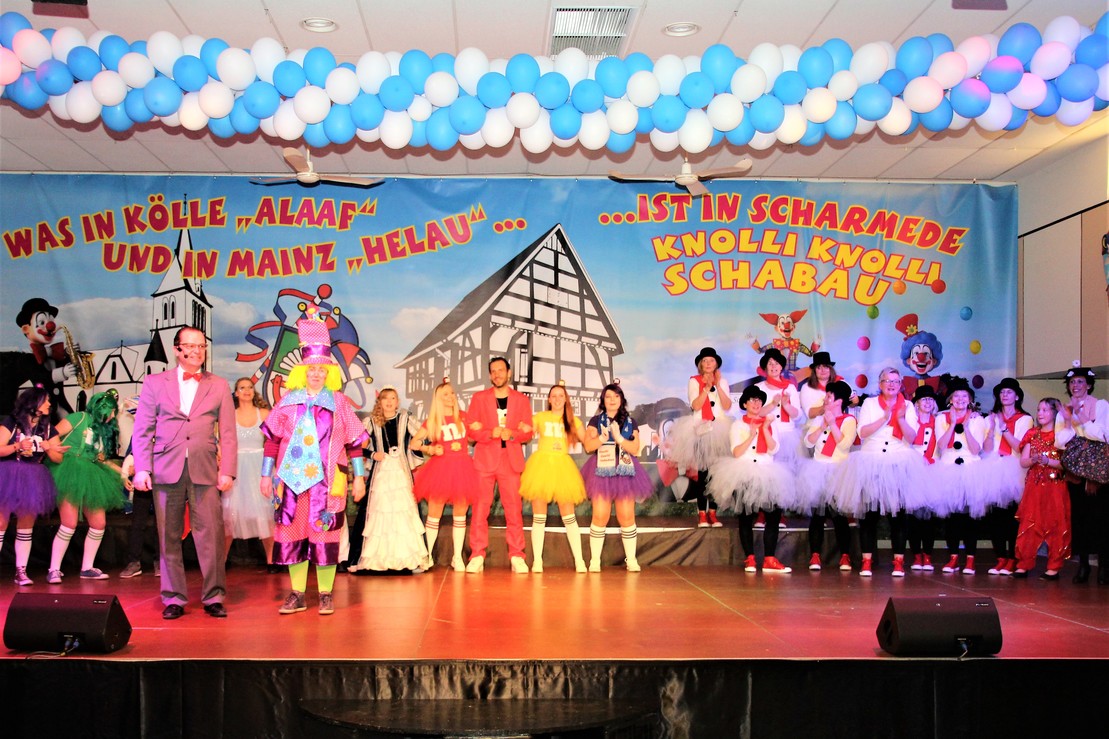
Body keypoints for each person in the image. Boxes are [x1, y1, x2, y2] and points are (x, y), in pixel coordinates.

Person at [260, 312, 367, 615]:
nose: (316, 374)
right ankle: (297, 593)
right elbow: (272, 441)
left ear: (328, 373)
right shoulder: (287, 402)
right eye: (311, 369)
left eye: (322, 369)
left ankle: (325, 593)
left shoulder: (339, 402)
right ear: (302, 372)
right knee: (292, 532)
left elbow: (355, 443)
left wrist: (359, 478)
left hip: (328, 481)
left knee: (324, 533)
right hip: (291, 482)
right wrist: (266, 475)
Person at [132, 326, 237, 620]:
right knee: (168, 536)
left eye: (201, 346)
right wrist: (142, 468)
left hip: (205, 468)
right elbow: (143, 429)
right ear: (177, 349)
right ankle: (173, 597)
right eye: (190, 345)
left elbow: (228, 433)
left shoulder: (218, 384)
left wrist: (227, 470)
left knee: (211, 535)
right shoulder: (155, 382)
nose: (197, 351)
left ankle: (213, 596)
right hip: (167, 468)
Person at [831, 367, 924, 576]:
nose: (891, 385)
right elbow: (862, 432)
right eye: (887, 381)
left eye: (895, 381)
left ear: (900, 384)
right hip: (872, 461)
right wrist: (885, 418)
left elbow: (912, 437)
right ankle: (867, 560)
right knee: (869, 515)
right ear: (880, 384)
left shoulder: (908, 405)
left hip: (898, 461)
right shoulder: (870, 404)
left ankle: (898, 561)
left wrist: (900, 419)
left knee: (898, 515)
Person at [709, 385, 797, 573]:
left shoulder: (770, 423)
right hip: (745, 470)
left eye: (759, 400)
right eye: (752, 400)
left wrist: (764, 429)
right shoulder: (738, 425)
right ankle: (749, 558)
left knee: (773, 515)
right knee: (745, 516)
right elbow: (736, 452)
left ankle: (769, 559)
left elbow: (774, 449)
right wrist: (751, 435)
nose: (756, 403)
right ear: (745, 404)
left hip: (767, 470)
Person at [46, 388, 128, 583]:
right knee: (69, 522)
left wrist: (124, 474)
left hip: (91, 473)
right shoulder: (79, 418)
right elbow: (51, 433)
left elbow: (101, 459)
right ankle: (54, 569)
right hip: (70, 470)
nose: (112, 416)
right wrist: (53, 449)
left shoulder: (103, 432)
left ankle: (87, 567)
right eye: (111, 411)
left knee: (99, 523)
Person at [465, 357, 534, 574]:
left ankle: (517, 555)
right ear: (489, 375)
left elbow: (528, 432)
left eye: (501, 370)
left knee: (514, 510)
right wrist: (489, 433)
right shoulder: (479, 398)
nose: (497, 374)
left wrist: (512, 433)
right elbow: (470, 430)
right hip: (485, 460)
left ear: (509, 373)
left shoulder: (521, 400)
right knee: (480, 510)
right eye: (493, 371)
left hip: (510, 461)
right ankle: (477, 554)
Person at [351, 386, 428, 573]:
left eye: (393, 398)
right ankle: (375, 559)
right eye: (385, 398)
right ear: (380, 402)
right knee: (379, 512)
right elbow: (356, 446)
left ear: (397, 402)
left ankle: (407, 559)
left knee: (404, 513)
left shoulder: (405, 418)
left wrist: (417, 445)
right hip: (381, 475)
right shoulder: (371, 421)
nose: (389, 402)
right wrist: (372, 454)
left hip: (401, 474)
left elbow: (423, 436)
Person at [581, 382, 653, 571]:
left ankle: (632, 560)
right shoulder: (596, 421)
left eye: (616, 396)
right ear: (603, 401)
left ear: (622, 399)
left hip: (624, 469)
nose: (612, 400)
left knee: (627, 516)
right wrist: (602, 438)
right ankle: (594, 561)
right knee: (600, 515)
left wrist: (620, 438)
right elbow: (588, 446)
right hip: (601, 469)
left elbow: (635, 448)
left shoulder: (631, 421)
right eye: (608, 396)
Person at [520, 383, 588, 572]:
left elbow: (588, 442)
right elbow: (527, 433)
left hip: (563, 468)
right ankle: (537, 561)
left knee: (569, 516)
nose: (557, 399)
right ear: (549, 399)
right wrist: (523, 428)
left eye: (561, 396)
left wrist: (601, 437)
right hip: (541, 467)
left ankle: (579, 561)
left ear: (566, 399)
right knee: (539, 517)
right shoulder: (541, 417)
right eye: (554, 396)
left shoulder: (573, 420)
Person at [0, 386, 63, 586]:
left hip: (33, 477)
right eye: (46, 400)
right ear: (34, 403)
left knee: (26, 524)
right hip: (9, 474)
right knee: (0, 523)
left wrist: (49, 448)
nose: (49, 404)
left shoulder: (47, 428)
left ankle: (21, 571)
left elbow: (58, 458)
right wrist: (17, 446)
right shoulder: (11, 422)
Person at [412, 379, 478, 571]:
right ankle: (427, 556)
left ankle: (457, 557)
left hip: (463, 467)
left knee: (460, 513)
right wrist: (431, 449)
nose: (450, 397)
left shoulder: (464, 417)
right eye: (445, 394)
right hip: (440, 469)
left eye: (452, 393)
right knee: (434, 513)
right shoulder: (433, 421)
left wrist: (475, 432)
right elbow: (414, 443)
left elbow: (474, 438)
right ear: (438, 399)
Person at [664, 347, 733, 528]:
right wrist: (706, 388)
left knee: (717, 474)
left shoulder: (723, 381)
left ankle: (713, 513)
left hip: (720, 430)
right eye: (704, 361)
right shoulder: (694, 381)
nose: (708, 363)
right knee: (702, 474)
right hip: (701, 429)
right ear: (700, 365)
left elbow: (727, 406)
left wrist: (718, 386)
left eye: (711, 360)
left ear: (716, 364)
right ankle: (702, 513)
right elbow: (695, 405)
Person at [1054, 365, 1109, 585]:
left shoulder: (1101, 405)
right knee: (1080, 518)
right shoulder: (1064, 410)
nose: (1075, 385)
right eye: (1072, 382)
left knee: (1101, 518)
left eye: (1080, 381)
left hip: (1098, 472)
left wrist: (1081, 418)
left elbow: (1102, 435)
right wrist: (1069, 421)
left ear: (1089, 385)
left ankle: (1104, 567)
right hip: (1076, 471)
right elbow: (1060, 441)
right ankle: (1083, 565)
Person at [798, 380, 856, 572]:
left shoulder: (849, 420)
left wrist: (833, 424)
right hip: (818, 470)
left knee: (839, 516)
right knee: (818, 515)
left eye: (829, 396)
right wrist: (823, 424)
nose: (826, 399)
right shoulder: (819, 418)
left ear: (839, 401)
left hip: (837, 471)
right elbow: (808, 442)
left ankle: (845, 555)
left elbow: (844, 445)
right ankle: (815, 555)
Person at [934, 377, 990, 576]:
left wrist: (965, 426)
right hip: (948, 467)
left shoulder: (977, 419)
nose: (960, 399)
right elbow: (941, 446)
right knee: (952, 518)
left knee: (970, 518)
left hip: (970, 469)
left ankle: (971, 558)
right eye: (956, 396)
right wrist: (952, 424)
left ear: (970, 400)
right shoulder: (941, 418)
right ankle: (953, 557)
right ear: (950, 399)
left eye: (964, 396)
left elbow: (975, 449)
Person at [222, 378, 276, 573]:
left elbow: (274, 442)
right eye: (242, 387)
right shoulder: (229, 415)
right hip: (236, 468)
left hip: (260, 467)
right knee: (230, 516)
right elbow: (222, 442)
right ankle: (222, 560)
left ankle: (271, 560)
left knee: (266, 514)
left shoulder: (264, 413)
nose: (246, 390)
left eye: (250, 387)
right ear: (236, 393)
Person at [1013, 398, 1071, 579]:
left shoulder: (1061, 435)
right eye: (1039, 409)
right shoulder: (1032, 433)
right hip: (1034, 485)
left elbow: (1066, 464)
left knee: (1056, 523)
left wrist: (1048, 461)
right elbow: (1023, 462)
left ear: (1055, 413)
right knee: (1029, 522)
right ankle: (1024, 564)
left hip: (1055, 486)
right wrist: (1033, 459)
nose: (1040, 413)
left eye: (1045, 410)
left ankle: (1054, 567)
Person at [981, 378, 1032, 576]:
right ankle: (1001, 557)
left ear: (1017, 396)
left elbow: (1020, 447)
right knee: (995, 517)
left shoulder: (1025, 419)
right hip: (993, 468)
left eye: (1009, 392)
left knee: (1013, 517)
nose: (1005, 395)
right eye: (1002, 392)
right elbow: (986, 449)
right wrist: (991, 429)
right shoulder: (992, 417)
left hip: (1014, 469)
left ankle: (1013, 557)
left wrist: (1003, 428)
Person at [907, 386, 941, 572]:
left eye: (930, 399)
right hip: (912, 472)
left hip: (932, 471)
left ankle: (927, 554)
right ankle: (916, 555)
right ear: (917, 403)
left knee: (929, 518)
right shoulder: (911, 422)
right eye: (924, 399)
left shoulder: (940, 421)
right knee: (913, 518)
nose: (928, 402)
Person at [755, 348, 802, 471]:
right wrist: (773, 404)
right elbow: (756, 413)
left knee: (788, 471)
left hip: (787, 436)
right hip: (766, 435)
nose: (773, 366)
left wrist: (786, 405)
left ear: (781, 367)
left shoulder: (790, 387)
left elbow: (797, 416)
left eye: (776, 363)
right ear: (765, 367)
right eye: (770, 363)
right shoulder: (758, 388)